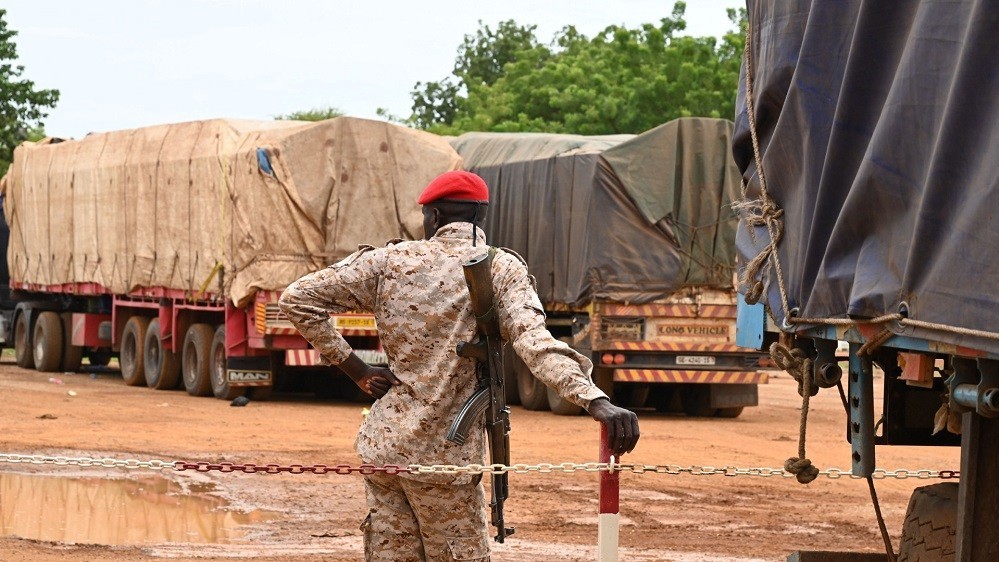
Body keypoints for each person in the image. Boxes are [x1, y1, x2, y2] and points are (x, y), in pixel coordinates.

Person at [279, 170, 640, 562]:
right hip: (445, 461)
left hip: (384, 450)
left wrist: (357, 370)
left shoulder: (387, 262)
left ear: (432, 217)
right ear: (480, 218)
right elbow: (536, 345)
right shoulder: (500, 269)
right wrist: (594, 399)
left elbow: (296, 299)